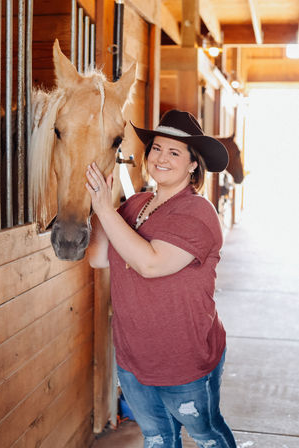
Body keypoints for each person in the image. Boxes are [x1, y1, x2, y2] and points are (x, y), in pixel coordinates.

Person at [85, 109, 237, 448]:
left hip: (184, 359)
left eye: (174, 152)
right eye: (156, 149)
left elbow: (151, 264)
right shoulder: (134, 205)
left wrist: (107, 212)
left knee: (205, 434)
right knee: (157, 438)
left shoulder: (198, 212)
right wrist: (101, 207)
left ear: (193, 164)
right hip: (133, 357)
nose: (161, 158)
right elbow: (97, 259)